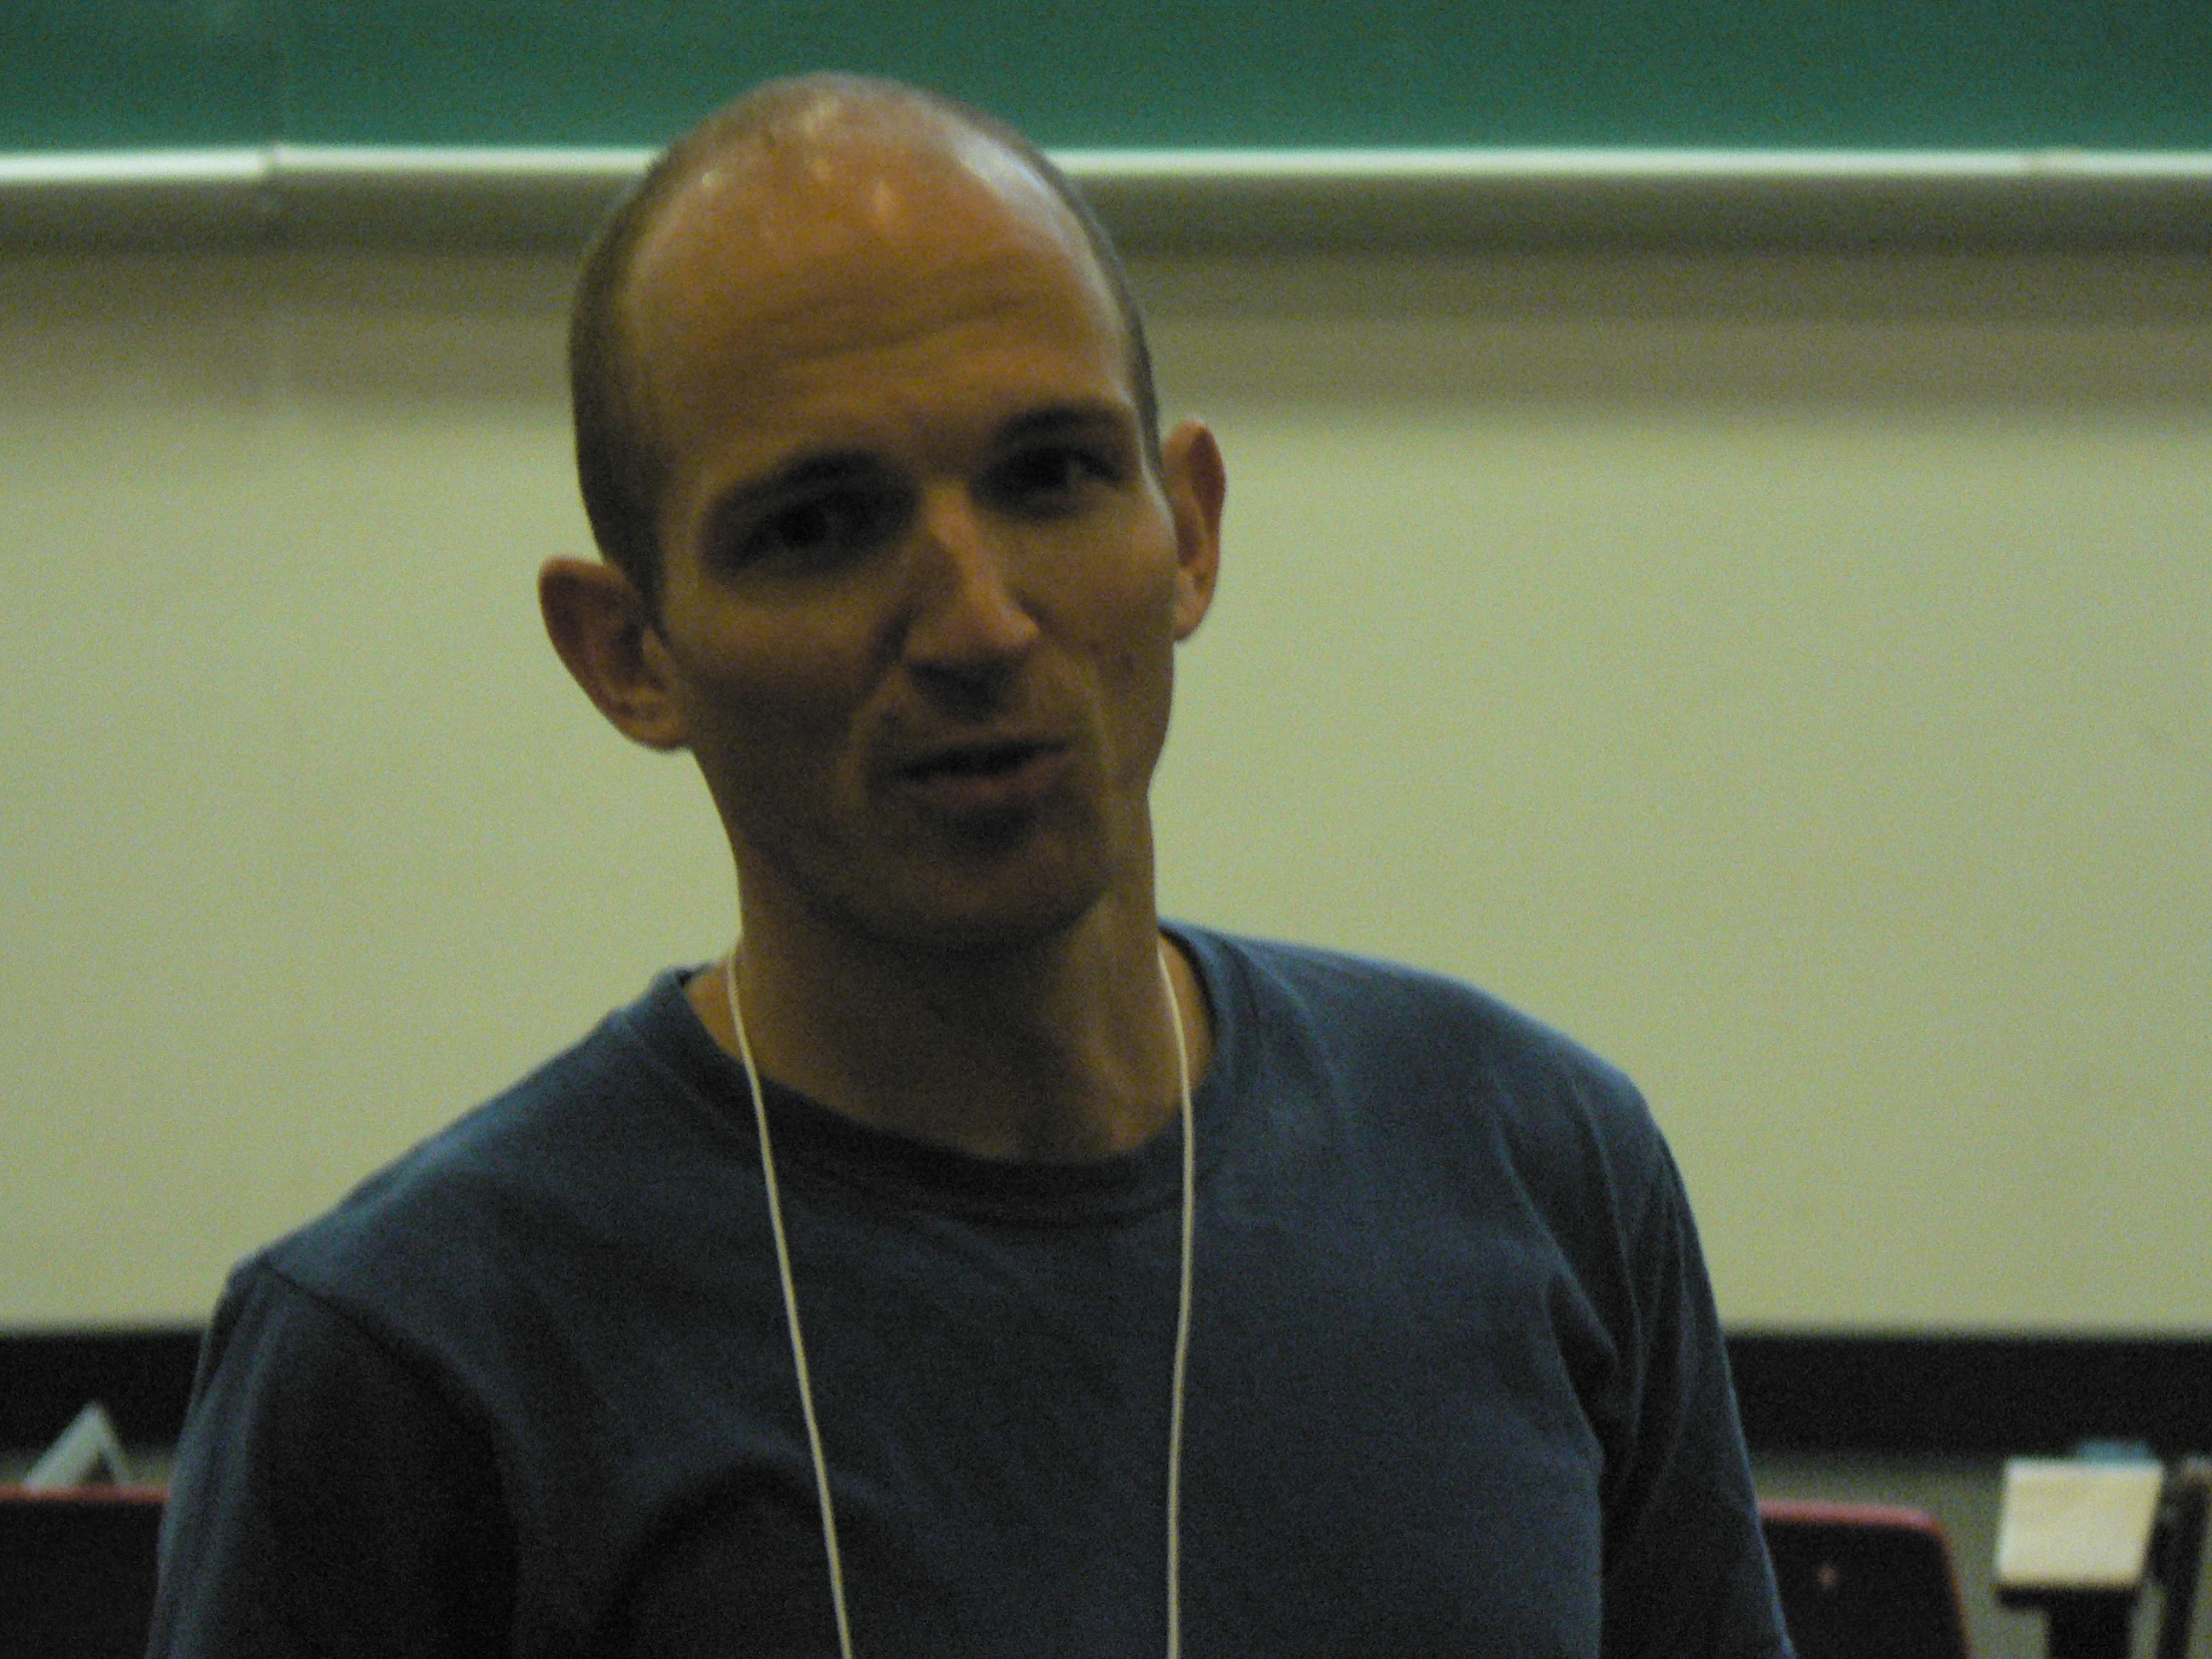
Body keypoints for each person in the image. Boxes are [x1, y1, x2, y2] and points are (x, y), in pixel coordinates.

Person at [151, 73, 1793, 1659]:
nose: (981, 622)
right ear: (626, 650)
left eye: (1054, 476)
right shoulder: (415, 1364)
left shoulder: (1535, 1171)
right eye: (818, 525)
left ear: (1192, 528)